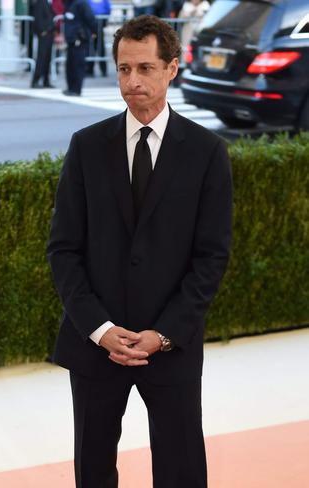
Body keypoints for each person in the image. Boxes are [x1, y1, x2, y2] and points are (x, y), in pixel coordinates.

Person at [47, 15, 232, 488]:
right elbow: (64, 250)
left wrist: (164, 333)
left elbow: (211, 257)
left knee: (181, 467)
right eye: (124, 69)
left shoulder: (207, 151)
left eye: (145, 68)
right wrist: (101, 329)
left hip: (170, 346)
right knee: (93, 468)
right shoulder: (86, 147)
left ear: (172, 68)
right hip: (96, 346)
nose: (133, 82)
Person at [62, 0, 95, 96]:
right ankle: (71, 88)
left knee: (77, 65)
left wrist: (94, 31)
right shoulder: (69, 3)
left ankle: (76, 89)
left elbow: (90, 19)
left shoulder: (81, 3)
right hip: (71, 39)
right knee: (70, 65)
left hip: (79, 38)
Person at [30, 0, 56, 88]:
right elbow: (38, 17)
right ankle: (36, 80)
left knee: (47, 58)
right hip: (44, 34)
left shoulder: (47, 2)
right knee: (42, 57)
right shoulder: (40, 2)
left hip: (49, 33)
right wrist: (42, 31)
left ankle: (46, 80)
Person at [86, 0, 111, 77]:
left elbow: (108, 9)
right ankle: (89, 70)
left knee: (101, 48)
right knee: (91, 48)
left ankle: (103, 70)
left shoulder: (105, 1)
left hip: (100, 23)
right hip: (91, 23)